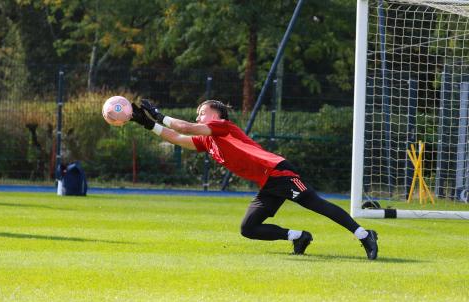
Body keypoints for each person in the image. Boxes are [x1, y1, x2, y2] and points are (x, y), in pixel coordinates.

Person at [130, 99, 379, 259]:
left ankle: (364, 235)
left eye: (202, 112)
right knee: (248, 229)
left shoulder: (223, 126)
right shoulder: (208, 140)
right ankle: (298, 236)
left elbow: (184, 128)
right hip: (268, 183)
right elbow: (178, 138)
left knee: (317, 204)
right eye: (198, 114)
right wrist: (146, 123)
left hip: (279, 171)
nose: (198, 117)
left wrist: (159, 115)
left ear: (217, 114)